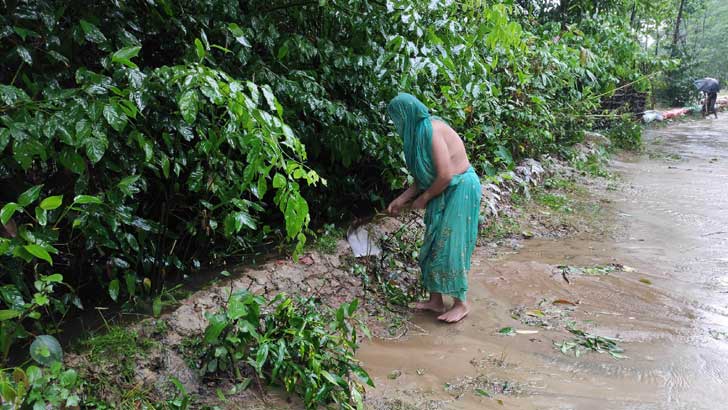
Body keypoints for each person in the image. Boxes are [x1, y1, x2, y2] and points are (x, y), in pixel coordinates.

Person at [386, 93, 482, 323]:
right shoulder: (417, 136)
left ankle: (461, 304)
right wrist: (403, 199)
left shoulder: (432, 131)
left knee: (450, 244)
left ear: (408, 114)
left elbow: (446, 175)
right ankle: (435, 300)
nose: (397, 123)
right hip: (443, 188)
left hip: (460, 188)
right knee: (432, 243)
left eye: (398, 117)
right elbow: (425, 176)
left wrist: (425, 198)